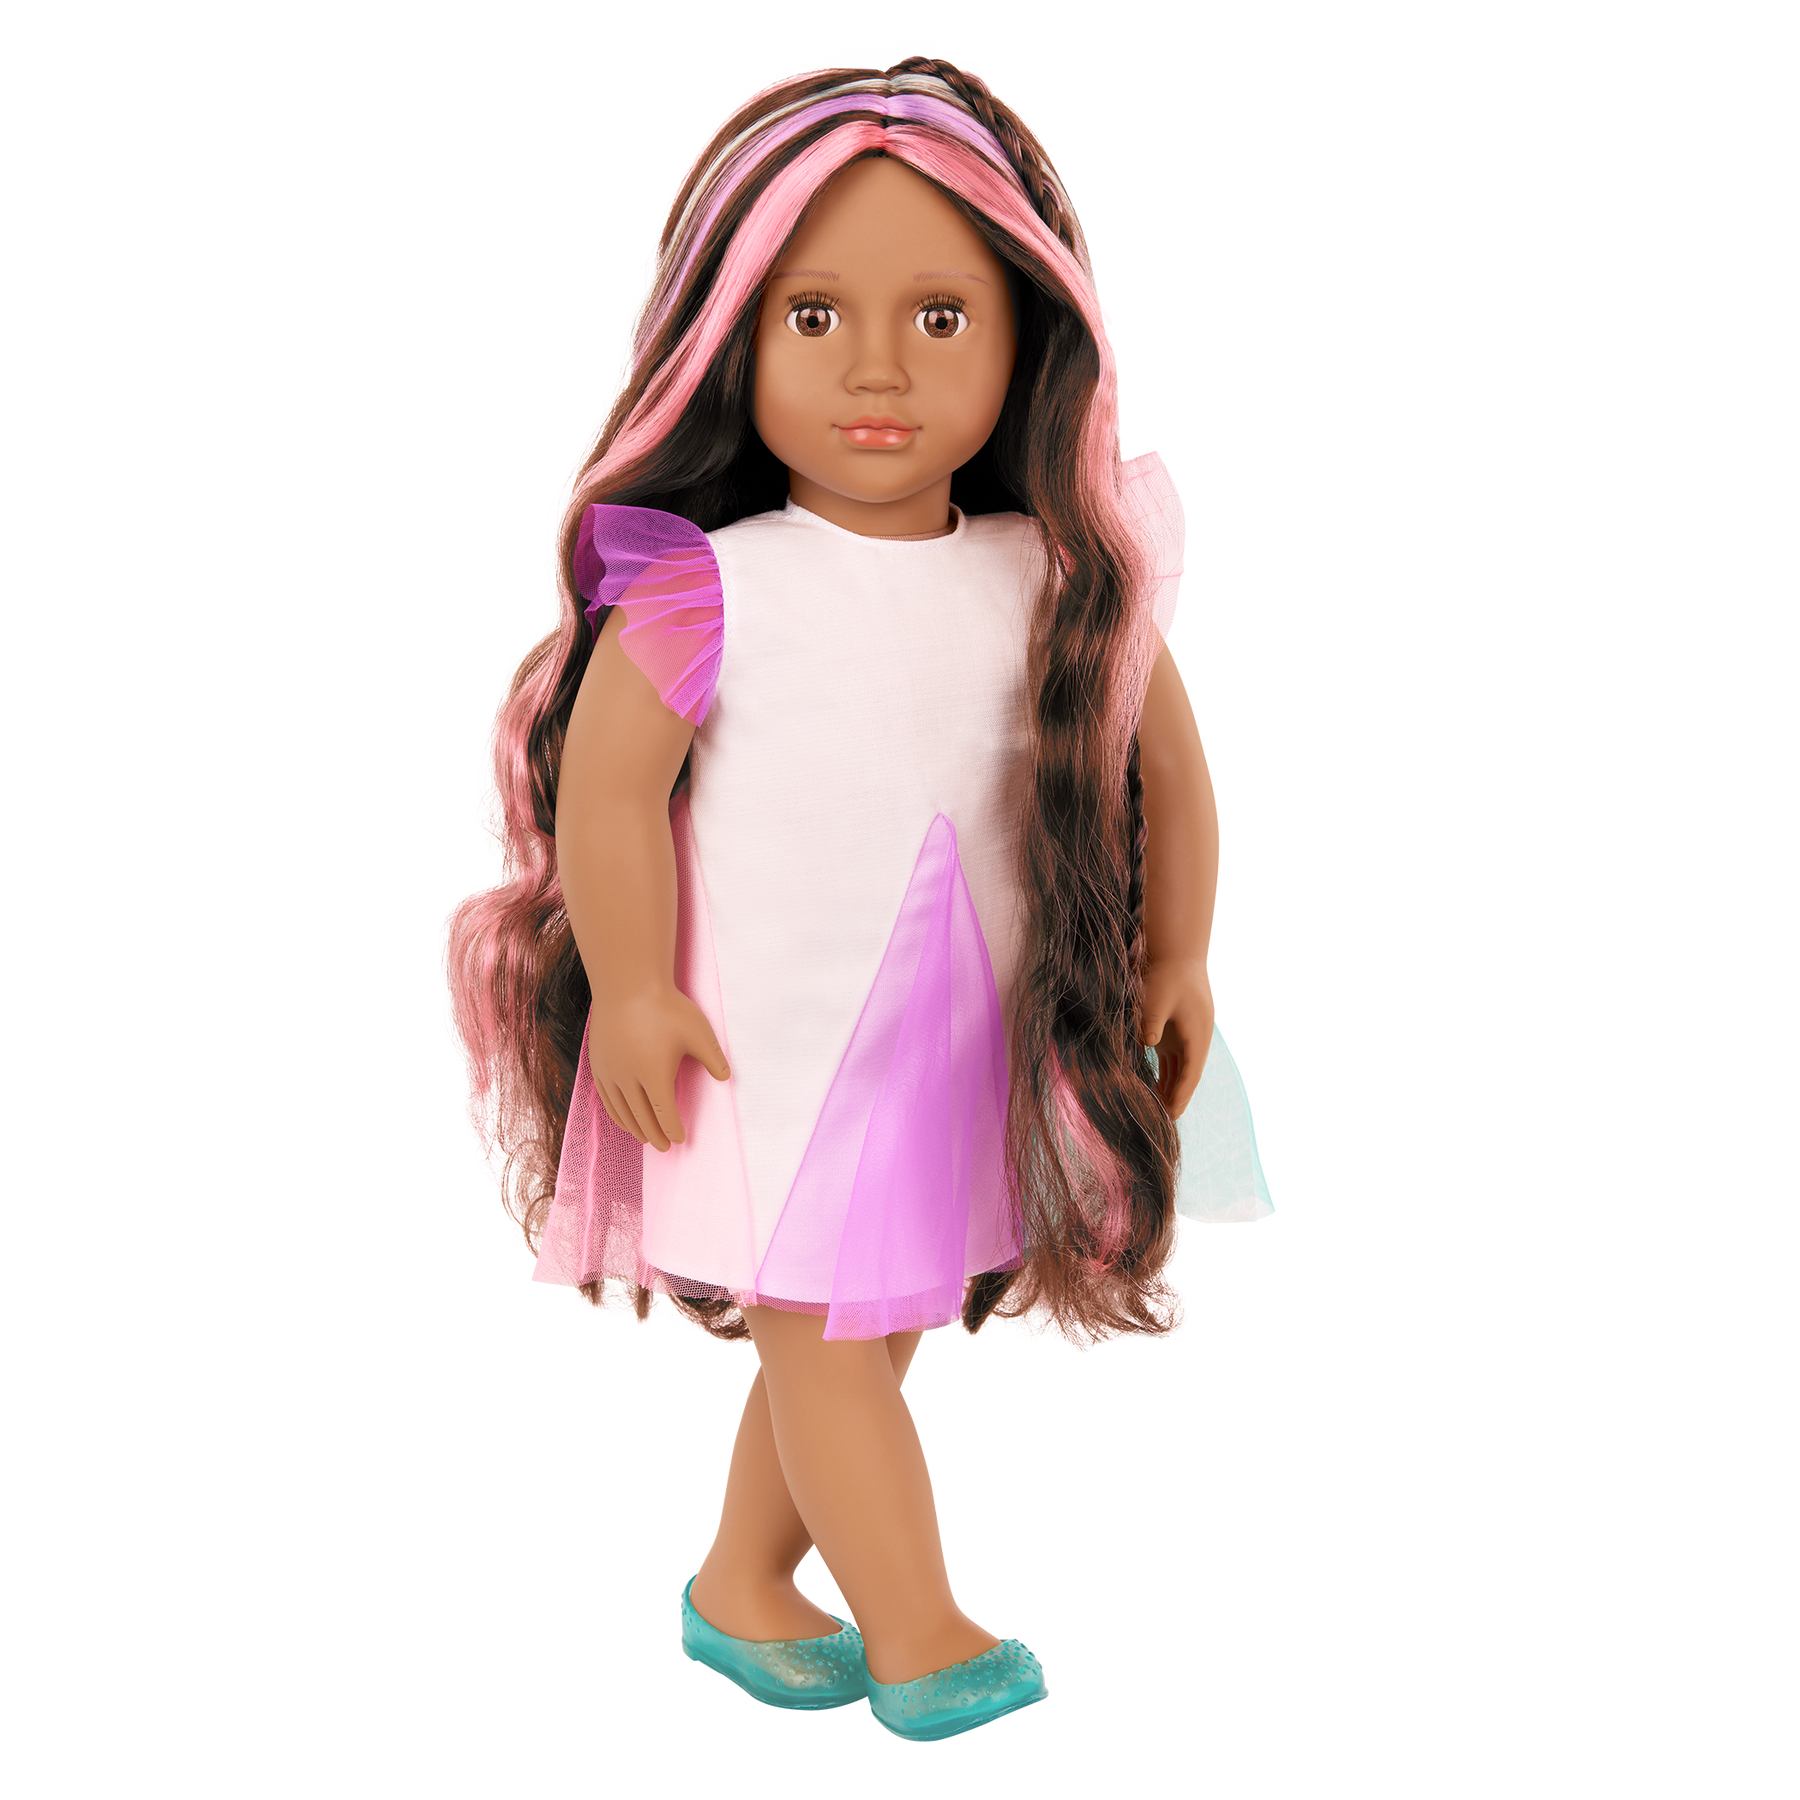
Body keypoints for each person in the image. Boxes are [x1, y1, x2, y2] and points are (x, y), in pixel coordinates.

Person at [437, 38, 1276, 1743]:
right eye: (813, 316)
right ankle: (917, 1628)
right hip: (768, 1039)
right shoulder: (704, 583)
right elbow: (613, 795)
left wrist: (1179, 952)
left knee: (866, 1335)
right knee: (827, 1334)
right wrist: (636, 984)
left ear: (1028, 339)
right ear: (728, 338)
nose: (876, 369)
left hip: (955, 1037)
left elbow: (1168, 772)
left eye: (940, 317)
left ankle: (740, 1590)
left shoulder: (1056, 574)